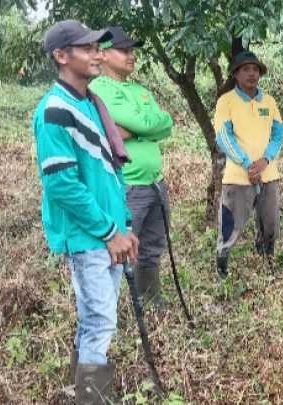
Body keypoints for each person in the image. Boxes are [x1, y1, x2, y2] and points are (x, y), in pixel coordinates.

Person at [32, 19, 137, 404]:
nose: (97, 55)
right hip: (87, 235)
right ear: (61, 56)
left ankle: (81, 389)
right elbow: (62, 185)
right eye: (88, 48)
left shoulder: (90, 103)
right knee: (100, 322)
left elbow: (109, 173)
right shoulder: (56, 110)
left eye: (98, 47)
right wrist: (111, 232)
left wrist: (124, 225)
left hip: (107, 230)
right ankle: (92, 399)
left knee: (97, 319)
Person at [90, 26, 174, 308]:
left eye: (132, 51)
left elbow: (165, 124)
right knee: (118, 250)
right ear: (102, 55)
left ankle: (150, 302)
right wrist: (144, 128)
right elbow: (148, 124)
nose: (131, 56)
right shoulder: (100, 88)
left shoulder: (141, 90)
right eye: (123, 50)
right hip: (128, 185)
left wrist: (135, 130)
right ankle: (109, 311)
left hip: (155, 183)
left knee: (151, 248)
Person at [212, 50, 283, 282]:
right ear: (235, 74)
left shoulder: (269, 101)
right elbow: (224, 136)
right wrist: (247, 164)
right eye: (246, 69)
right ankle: (222, 270)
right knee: (230, 226)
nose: (252, 74)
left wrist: (265, 160)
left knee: (270, 223)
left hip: (268, 174)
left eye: (255, 69)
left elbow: (278, 133)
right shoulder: (226, 101)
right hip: (237, 176)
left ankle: (267, 261)